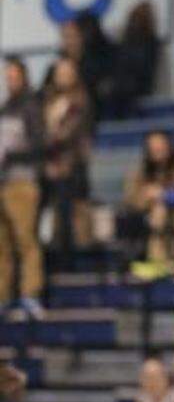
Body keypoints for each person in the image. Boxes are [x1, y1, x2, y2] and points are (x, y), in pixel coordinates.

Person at [0, 56, 46, 316]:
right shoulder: (5, 108)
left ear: (24, 77)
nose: (10, 81)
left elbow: (40, 146)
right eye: (7, 77)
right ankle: (3, 295)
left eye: (14, 76)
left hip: (22, 182)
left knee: (25, 239)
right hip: (2, 182)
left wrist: (11, 156)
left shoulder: (31, 106)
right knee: (2, 243)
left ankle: (31, 293)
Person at [41, 57, 94, 263]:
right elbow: (40, 133)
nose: (63, 76)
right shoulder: (47, 100)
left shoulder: (81, 100)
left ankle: (70, 260)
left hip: (72, 167)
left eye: (67, 72)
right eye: (60, 72)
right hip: (48, 165)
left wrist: (52, 126)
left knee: (68, 216)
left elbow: (70, 133)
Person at [112, 0, 162, 116]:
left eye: (141, 18)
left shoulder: (150, 44)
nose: (137, 22)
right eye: (136, 18)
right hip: (122, 91)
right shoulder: (124, 43)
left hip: (138, 90)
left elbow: (146, 70)